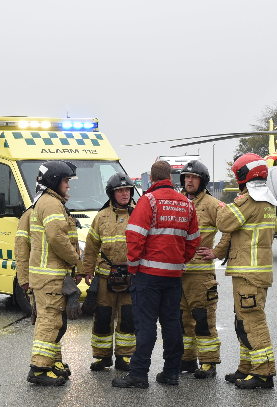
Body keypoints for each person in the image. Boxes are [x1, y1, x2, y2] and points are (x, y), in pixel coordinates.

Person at [112, 160, 200, 389]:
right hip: (173, 276)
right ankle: (171, 372)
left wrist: (133, 267)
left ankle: (139, 374)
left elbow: (135, 237)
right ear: (170, 177)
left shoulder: (148, 201)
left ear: (151, 179)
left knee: (146, 325)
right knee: (172, 324)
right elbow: (193, 242)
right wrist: (179, 261)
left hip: (147, 275)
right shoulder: (187, 204)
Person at [216, 153, 277, 389]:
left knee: (253, 322)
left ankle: (263, 373)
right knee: (242, 321)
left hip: (248, 273)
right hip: (254, 273)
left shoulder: (249, 202)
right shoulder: (269, 201)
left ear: (244, 176)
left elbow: (224, 223)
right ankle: (247, 367)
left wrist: (224, 205)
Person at [26, 160, 82, 386]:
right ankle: (39, 369)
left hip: (46, 276)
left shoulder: (45, 201)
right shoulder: (51, 204)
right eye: (66, 181)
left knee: (53, 321)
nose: (68, 185)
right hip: (50, 276)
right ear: (54, 181)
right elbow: (57, 238)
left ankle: (51, 363)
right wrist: (76, 261)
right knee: (49, 322)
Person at [178, 160, 231, 379]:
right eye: (186, 177)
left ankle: (208, 362)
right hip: (179, 273)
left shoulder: (212, 204)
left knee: (203, 318)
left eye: (193, 177)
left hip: (201, 274)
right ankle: (187, 359)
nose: (189, 181)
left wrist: (217, 252)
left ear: (202, 181)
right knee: (182, 319)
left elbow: (229, 228)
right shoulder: (178, 201)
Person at [81, 173, 136, 372]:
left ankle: (126, 356)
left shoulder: (139, 213)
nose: (124, 194)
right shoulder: (101, 217)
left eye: (127, 190)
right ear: (112, 194)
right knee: (103, 316)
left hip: (131, 276)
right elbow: (91, 245)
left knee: (128, 317)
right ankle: (102, 357)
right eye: (120, 190)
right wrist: (87, 269)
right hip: (105, 275)